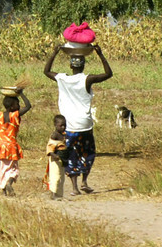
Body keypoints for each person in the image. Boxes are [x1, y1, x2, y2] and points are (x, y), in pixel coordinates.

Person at [43, 42, 113, 194]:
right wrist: (100, 54)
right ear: (83, 66)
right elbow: (108, 74)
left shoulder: (62, 79)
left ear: (71, 66)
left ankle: (74, 187)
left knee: (71, 155)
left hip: (68, 126)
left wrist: (55, 52)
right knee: (87, 153)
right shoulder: (87, 79)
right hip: (85, 125)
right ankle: (84, 182)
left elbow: (46, 71)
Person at [0, 88, 31, 195]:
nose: (19, 106)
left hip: (0, 145)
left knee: (2, 168)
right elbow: (28, 106)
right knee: (13, 168)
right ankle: (9, 182)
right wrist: (21, 93)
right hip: (11, 146)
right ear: (12, 107)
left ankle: (3, 190)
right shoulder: (15, 115)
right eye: (17, 104)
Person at [45, 114, 68, 199]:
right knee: (55, 176)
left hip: (61, 159)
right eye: (61, 125)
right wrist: (53, 155)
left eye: (65, 125)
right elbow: (50, 147)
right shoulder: (55, 135)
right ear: (55, 125)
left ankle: (59, 194)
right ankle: (53, 194)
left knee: (61, 177)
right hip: (55, 159)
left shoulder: (63, 135)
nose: (63, 127)